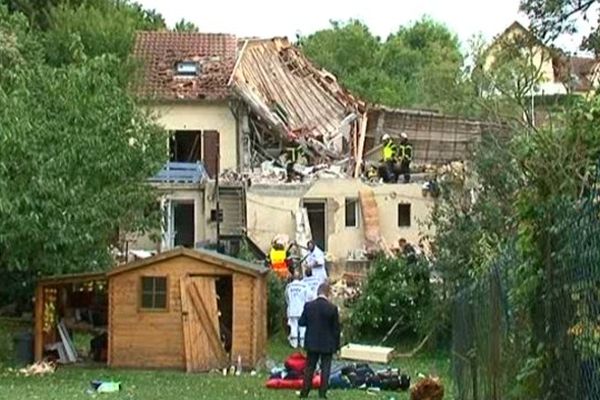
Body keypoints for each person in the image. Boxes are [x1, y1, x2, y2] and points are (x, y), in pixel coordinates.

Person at [299, 283, 341, 399]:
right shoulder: (332, 308)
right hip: (327, 343)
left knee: (309, 368)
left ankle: (304, 392)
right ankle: (322, 393)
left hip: (312, 342)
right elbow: (336, 330)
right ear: (327, 293)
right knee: (325, 369)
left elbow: (301, 322)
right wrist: (337, 347)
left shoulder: (308, 306)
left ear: (318, 292)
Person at [285, 271, 308, 348]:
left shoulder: (289, 286)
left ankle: (294, 344)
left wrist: (290, 304)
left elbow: (286, 297)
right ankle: (302, 343)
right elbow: (308, 297)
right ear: (300, 277)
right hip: (302, 308)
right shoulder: (304, 286)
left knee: (293, 326)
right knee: (302, 326)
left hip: (292, 309)